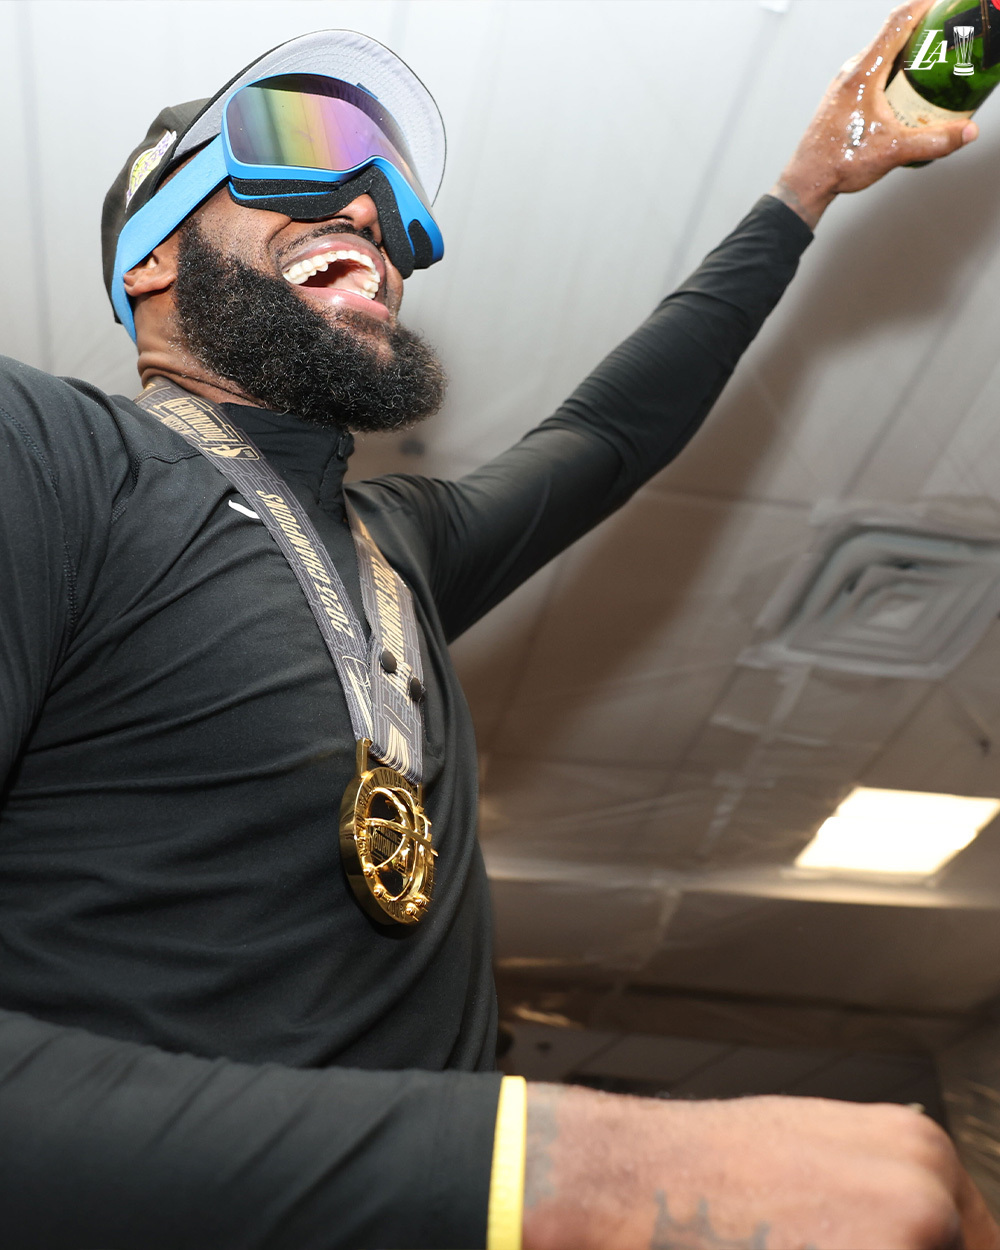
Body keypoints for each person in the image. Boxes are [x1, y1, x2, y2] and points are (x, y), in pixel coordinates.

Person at [0, 4, 995, 1248]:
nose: (370, 210)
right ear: (148, 253)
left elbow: (609, 431)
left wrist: (807, 187)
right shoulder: (45, 456)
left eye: (394, 196)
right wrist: (572, 1172)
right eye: (300, 144)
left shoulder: (395, 549)